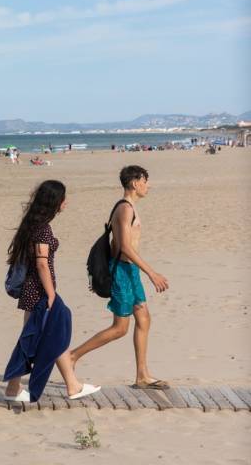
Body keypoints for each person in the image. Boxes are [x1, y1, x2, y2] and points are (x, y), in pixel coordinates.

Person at [70, 166, 170, 390]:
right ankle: (72, 357)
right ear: (135, 183)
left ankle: (142, 376)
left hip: (130, 271)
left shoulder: (130, 207)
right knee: (120, 328)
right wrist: (152, 273)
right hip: (122, 272)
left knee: (144, 320)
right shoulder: (125, 209)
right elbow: (124, 246)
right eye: (145, 180)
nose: (148, 185)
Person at [2, 180, 100, 401]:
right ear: (55, 202)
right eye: (64, 198)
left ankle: (13, 388)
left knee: (33, 338)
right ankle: (72, 386)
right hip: (39, 291)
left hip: (31, 290)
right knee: (52, 334)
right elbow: (42, 263)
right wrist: (52, 294)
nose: (66, 202)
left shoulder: (31, 225)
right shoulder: (43, 230)